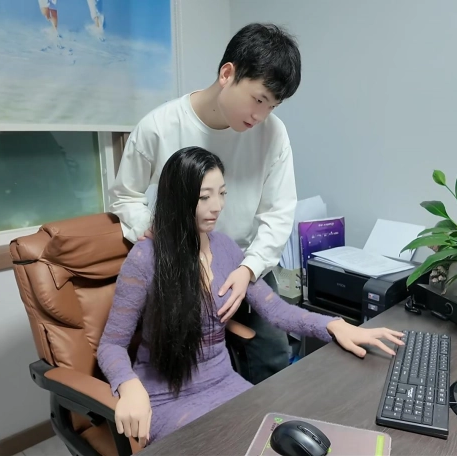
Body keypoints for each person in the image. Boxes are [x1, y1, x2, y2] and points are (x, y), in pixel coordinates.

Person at [97, 147, 405, 447]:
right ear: (177, 199)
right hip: (164, 397)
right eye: (205, 197)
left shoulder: (226, 248)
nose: (217, 206)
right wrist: (129, 385)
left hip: (225, 384)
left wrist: (335, 325)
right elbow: (111, 344)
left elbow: (277, 311)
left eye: (222, 193)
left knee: (275, 439)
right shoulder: (145, 258)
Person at [109, 23, 304, 384]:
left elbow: (278, 213)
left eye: (272, 106)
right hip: (181, 269)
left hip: (244, 264)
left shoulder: (273, 134)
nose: (261, 115)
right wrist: (150, 228)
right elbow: (125, 194)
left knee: (273, 358)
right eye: (258, 99)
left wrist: (248, 270)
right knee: (189, 374)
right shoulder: (159, 126)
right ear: (227, 74)